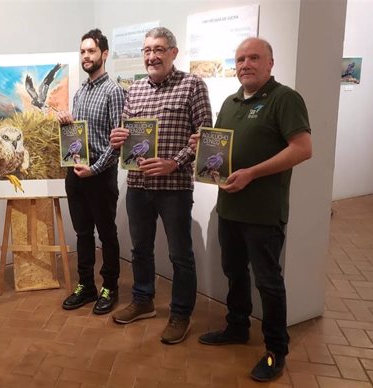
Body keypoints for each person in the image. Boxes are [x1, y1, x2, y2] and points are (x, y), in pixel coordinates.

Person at [194, 37, 312, 382]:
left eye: (254, 58)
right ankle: (237, 326)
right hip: (229, 207)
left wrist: (253, 173)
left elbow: (303, 149)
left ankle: (277, 350)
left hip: (263, 212)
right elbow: (223, 149)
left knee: (268, 282)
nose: (246, 64)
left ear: (270, 63)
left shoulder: (284, 99)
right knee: (234, 272)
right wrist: (201, 146)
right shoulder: (231, 102)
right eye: (241, 59)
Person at [109, 27, 212, 344]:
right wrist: (117, 140)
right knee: (140, 248)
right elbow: (124, 136)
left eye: (159, 49)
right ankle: (143, 301)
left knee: (181, 255)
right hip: (138, 184)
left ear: (173, 52)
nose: (152, 55)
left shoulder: (192, 85)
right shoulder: (135, 89)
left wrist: (175, 162)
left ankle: (180, 314)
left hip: (175, 186)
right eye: (147, 50)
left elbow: (207, 138)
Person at [56, 29, 125, 315]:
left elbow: (118, 142)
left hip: (100, 175)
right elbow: (77, 137)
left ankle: (110, 287)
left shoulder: (114, 92)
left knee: (106, 233)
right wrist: (66, 124)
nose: (86, 56)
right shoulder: (80, 92)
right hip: (76, 175)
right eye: (83, 51)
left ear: (104, 54)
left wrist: (94, 169)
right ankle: (86, 285)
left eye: (91, 51)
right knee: (82, 233)